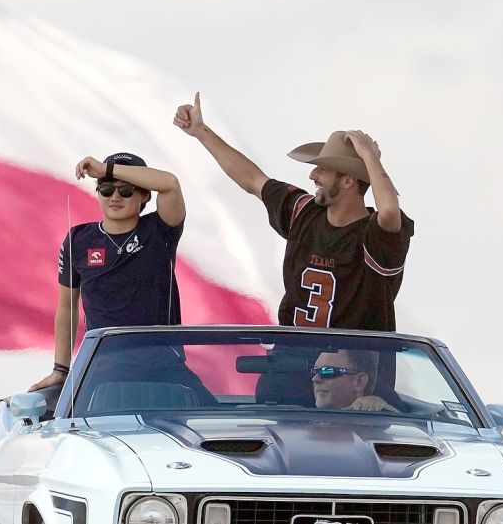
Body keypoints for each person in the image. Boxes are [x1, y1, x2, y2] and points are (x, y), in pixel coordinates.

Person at [174, 93, 414, 403]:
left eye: (323, 170)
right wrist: (201, 132)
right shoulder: (304, 211)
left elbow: (389, 212)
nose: (313, 174)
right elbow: (252, 180)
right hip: (290, 367)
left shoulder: (376, 235)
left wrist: (371, 159)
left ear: (348, 182)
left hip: (353, 382)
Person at [28, 153, 212, 406]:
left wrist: (106, 169)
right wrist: (60, 370)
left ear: (144, 196)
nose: (115, 197)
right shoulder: (78, 239)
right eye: (106, 189)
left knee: (216, 422)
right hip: (105, 368)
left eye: (126, 191)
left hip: (163, 363)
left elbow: (170, 184)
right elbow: (67, 306)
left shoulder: (160, 229)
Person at [312, 350, 398, 412]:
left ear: (359, 381)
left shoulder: (376, 427)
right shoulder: (300, 418)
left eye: (327, 371)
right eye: (315, 371)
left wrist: (383, 410)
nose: (315, 379)